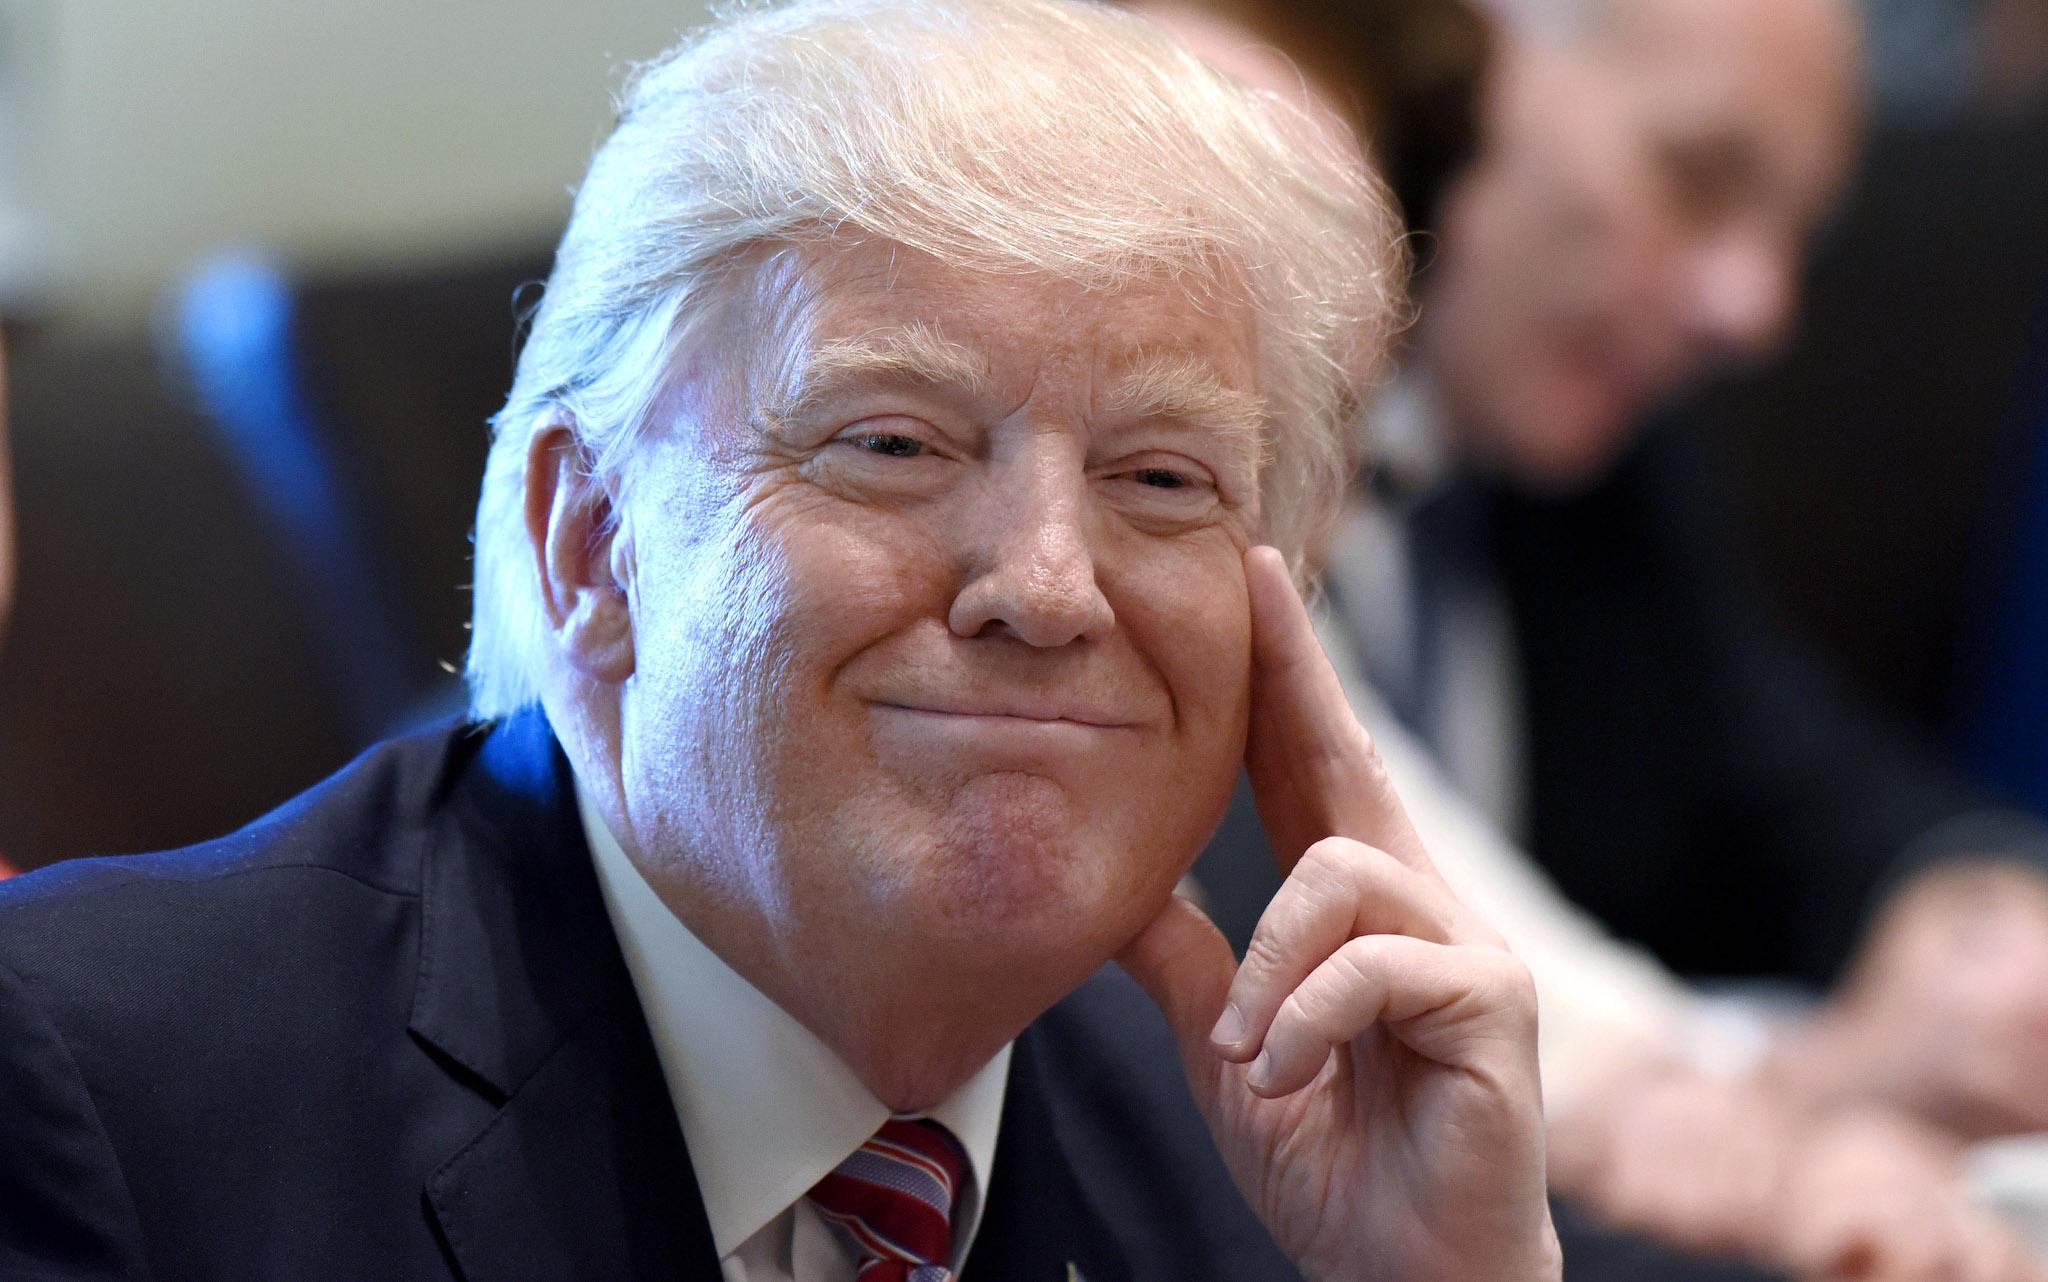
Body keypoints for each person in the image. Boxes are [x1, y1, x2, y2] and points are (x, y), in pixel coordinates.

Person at [0, 2, 1562, 1278]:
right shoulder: (96, 1082)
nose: (1046, 583)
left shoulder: (1265, 1161)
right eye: (892, 443)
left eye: (1162, 479)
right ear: (591, 539)